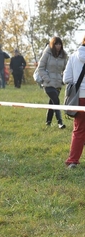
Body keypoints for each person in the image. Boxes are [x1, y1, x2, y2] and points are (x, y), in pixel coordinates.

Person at [63, 36, 85, 168]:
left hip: (79, 98)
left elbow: (67, 78)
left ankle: (73, 161)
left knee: (79, 130)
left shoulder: (73, 57)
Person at [38, 36, 68, 129]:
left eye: (59, 44)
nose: (58, 46)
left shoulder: (64, 55)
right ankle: (60, 122)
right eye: (56, 44)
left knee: (52, 102)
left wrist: (64, 78)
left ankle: (48, 122)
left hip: (58, 83)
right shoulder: (47, 53)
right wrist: (47, 79)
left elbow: (67, 68)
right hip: (48, 83)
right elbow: (40, 68)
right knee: (56, 101)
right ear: (52, 45)